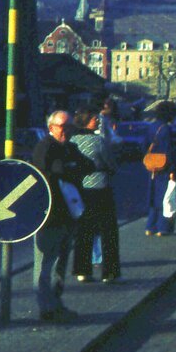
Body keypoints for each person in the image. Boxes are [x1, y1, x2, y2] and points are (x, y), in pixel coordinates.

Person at [30, 110, 89, 323]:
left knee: (60, 264)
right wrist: (67, 170)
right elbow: (42, 176)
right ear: (51, 127)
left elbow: (88, 166)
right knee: (45, 264)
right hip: (49, 216)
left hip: (68, 215)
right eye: (62, 126)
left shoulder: (70, 148)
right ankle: (47, 308)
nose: (66, 131)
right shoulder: (45, 147)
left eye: (70, 127)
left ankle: (55, 304)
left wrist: (68, 170)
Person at [70, 108, 122, 284]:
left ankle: (82, 271)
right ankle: (109, 273)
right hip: (100, 188)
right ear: (86, 120)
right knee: (108, 231)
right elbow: (111, 164)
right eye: (94, 119)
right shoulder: (98, 141)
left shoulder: (73, 141)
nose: (98, 121)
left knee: (84, 231)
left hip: (80, 190)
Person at [145, 101, 176, 236]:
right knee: (165, 197)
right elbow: (169, 151)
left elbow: (144, 145)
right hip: (164, 167)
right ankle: (163, 228)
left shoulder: (151, 127)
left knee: (153, 196)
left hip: (152, 166)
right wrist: (173, 169)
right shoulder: (166, 129)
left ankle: (150, 226)